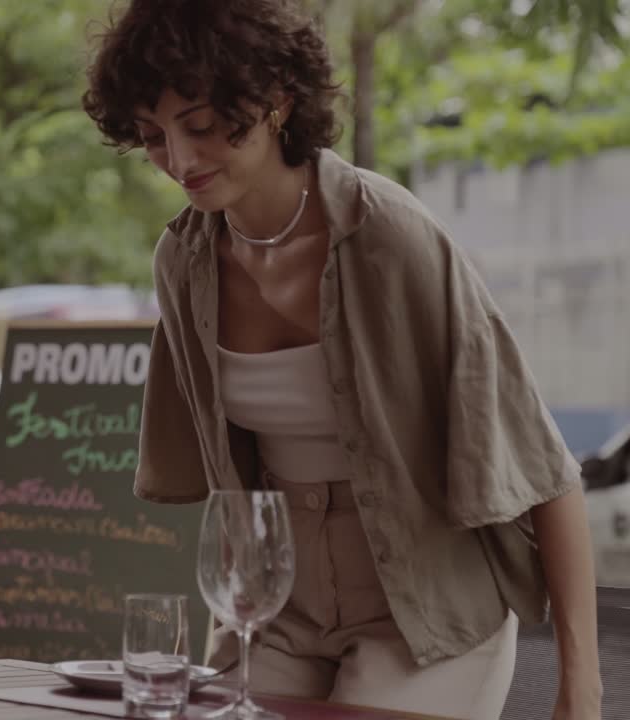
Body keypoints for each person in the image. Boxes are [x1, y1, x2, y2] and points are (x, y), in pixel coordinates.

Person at [82, 2, 601, 719]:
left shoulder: (391, 237)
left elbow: (546, 468)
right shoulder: (184, 258)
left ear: (276, 101)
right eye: (152, 138)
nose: (180, 160)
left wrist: (581, 688)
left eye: (200, 126)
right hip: (274, 604)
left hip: (423, 603)